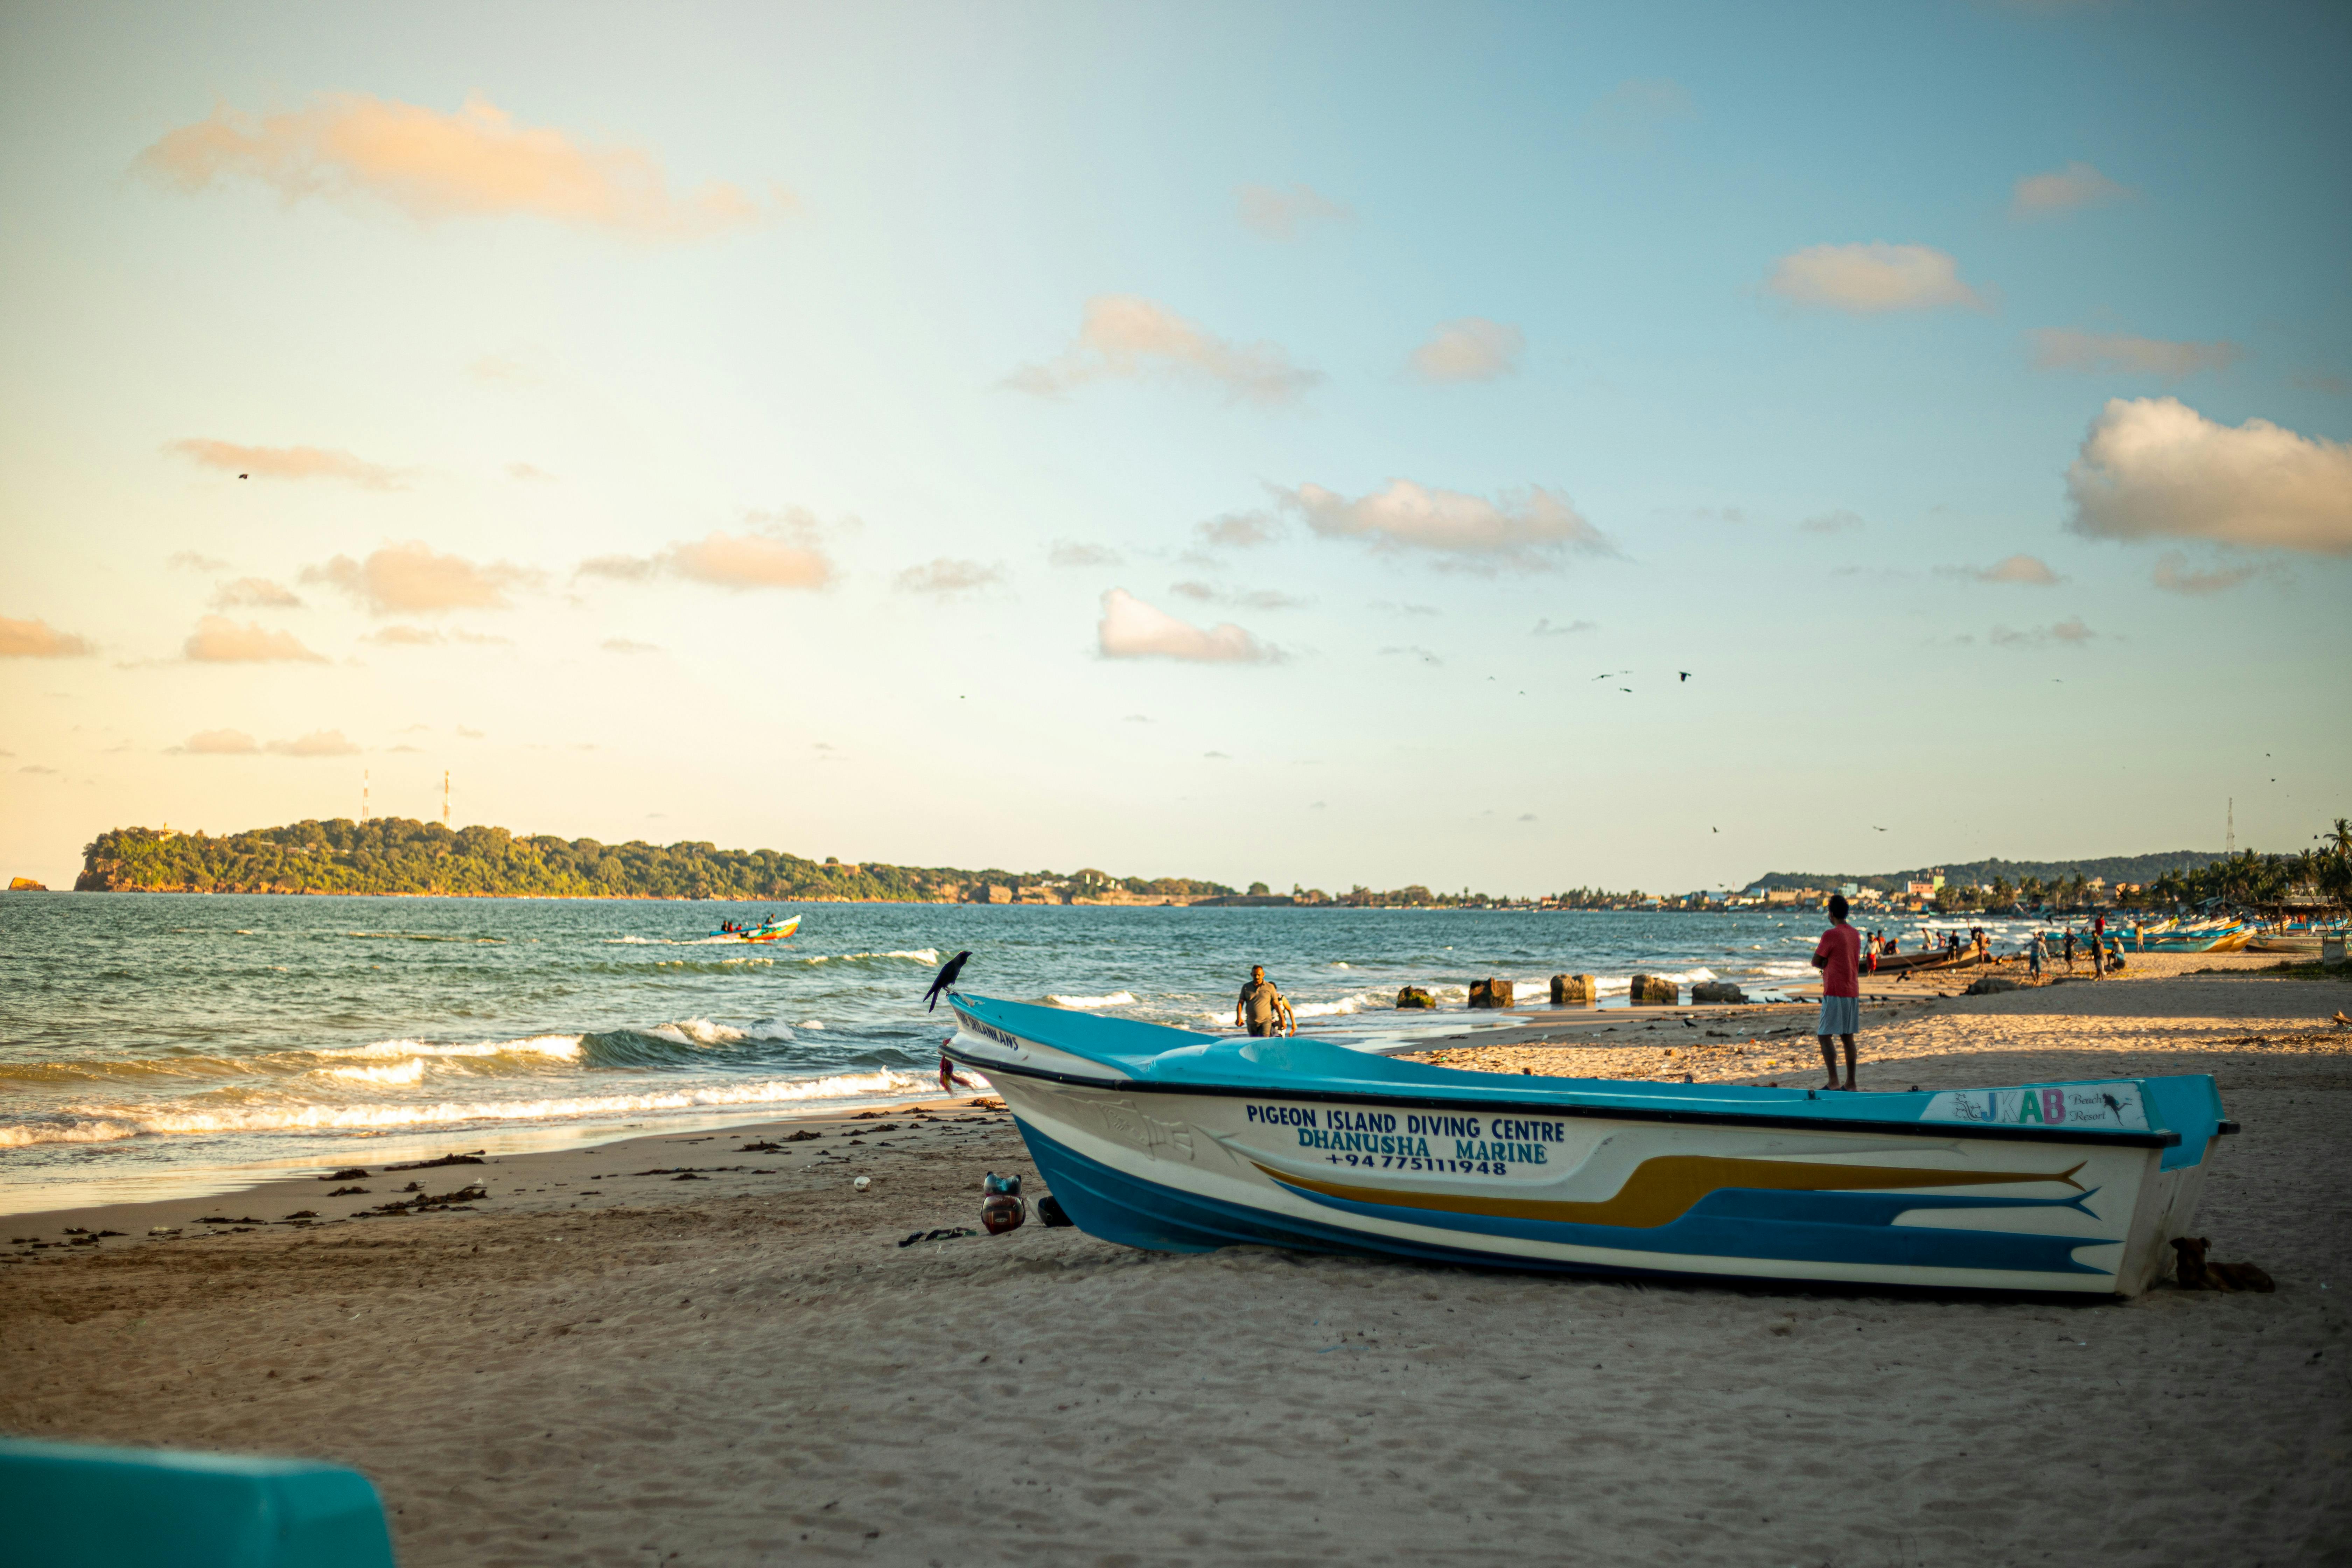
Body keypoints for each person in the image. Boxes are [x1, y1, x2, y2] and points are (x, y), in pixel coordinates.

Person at [1810, 894, 1863, 1091]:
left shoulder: (1831, 934)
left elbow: (1816, 960)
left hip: (1835, 990)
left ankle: (1833, 1081)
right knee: (1848, 1037)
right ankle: (1851, 1083)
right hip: (1852, 989)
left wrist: (1824, 963)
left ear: (1831, 913)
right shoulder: (1855, 934)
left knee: (1825, 1036)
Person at [1235, 964, 1295, 1037]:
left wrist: (1283, 1020)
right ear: (1251, 975)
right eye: (1255, 975)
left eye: (1259, 975)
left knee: (1263, 1041)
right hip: (1251, 1022)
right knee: (1254, 1043)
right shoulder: (1246, 987)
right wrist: (1239, 1017)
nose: (1257, 977)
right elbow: (1241, 1003)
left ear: (1263, 975)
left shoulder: (1270, 987)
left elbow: (1276, 1005)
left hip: (1266, 1021)